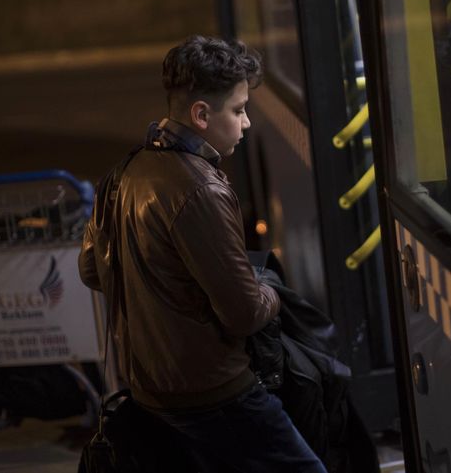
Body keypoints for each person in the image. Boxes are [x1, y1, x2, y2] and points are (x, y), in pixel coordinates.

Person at [78, 35, 326, 473]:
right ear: (201, 115)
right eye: (239, 109)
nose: (247, 123)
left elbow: (91, 270)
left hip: (151, 391)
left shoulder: (124, 173)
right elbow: (245, 313)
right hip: (215, 393)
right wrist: (268, 286)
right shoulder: (201, 190)